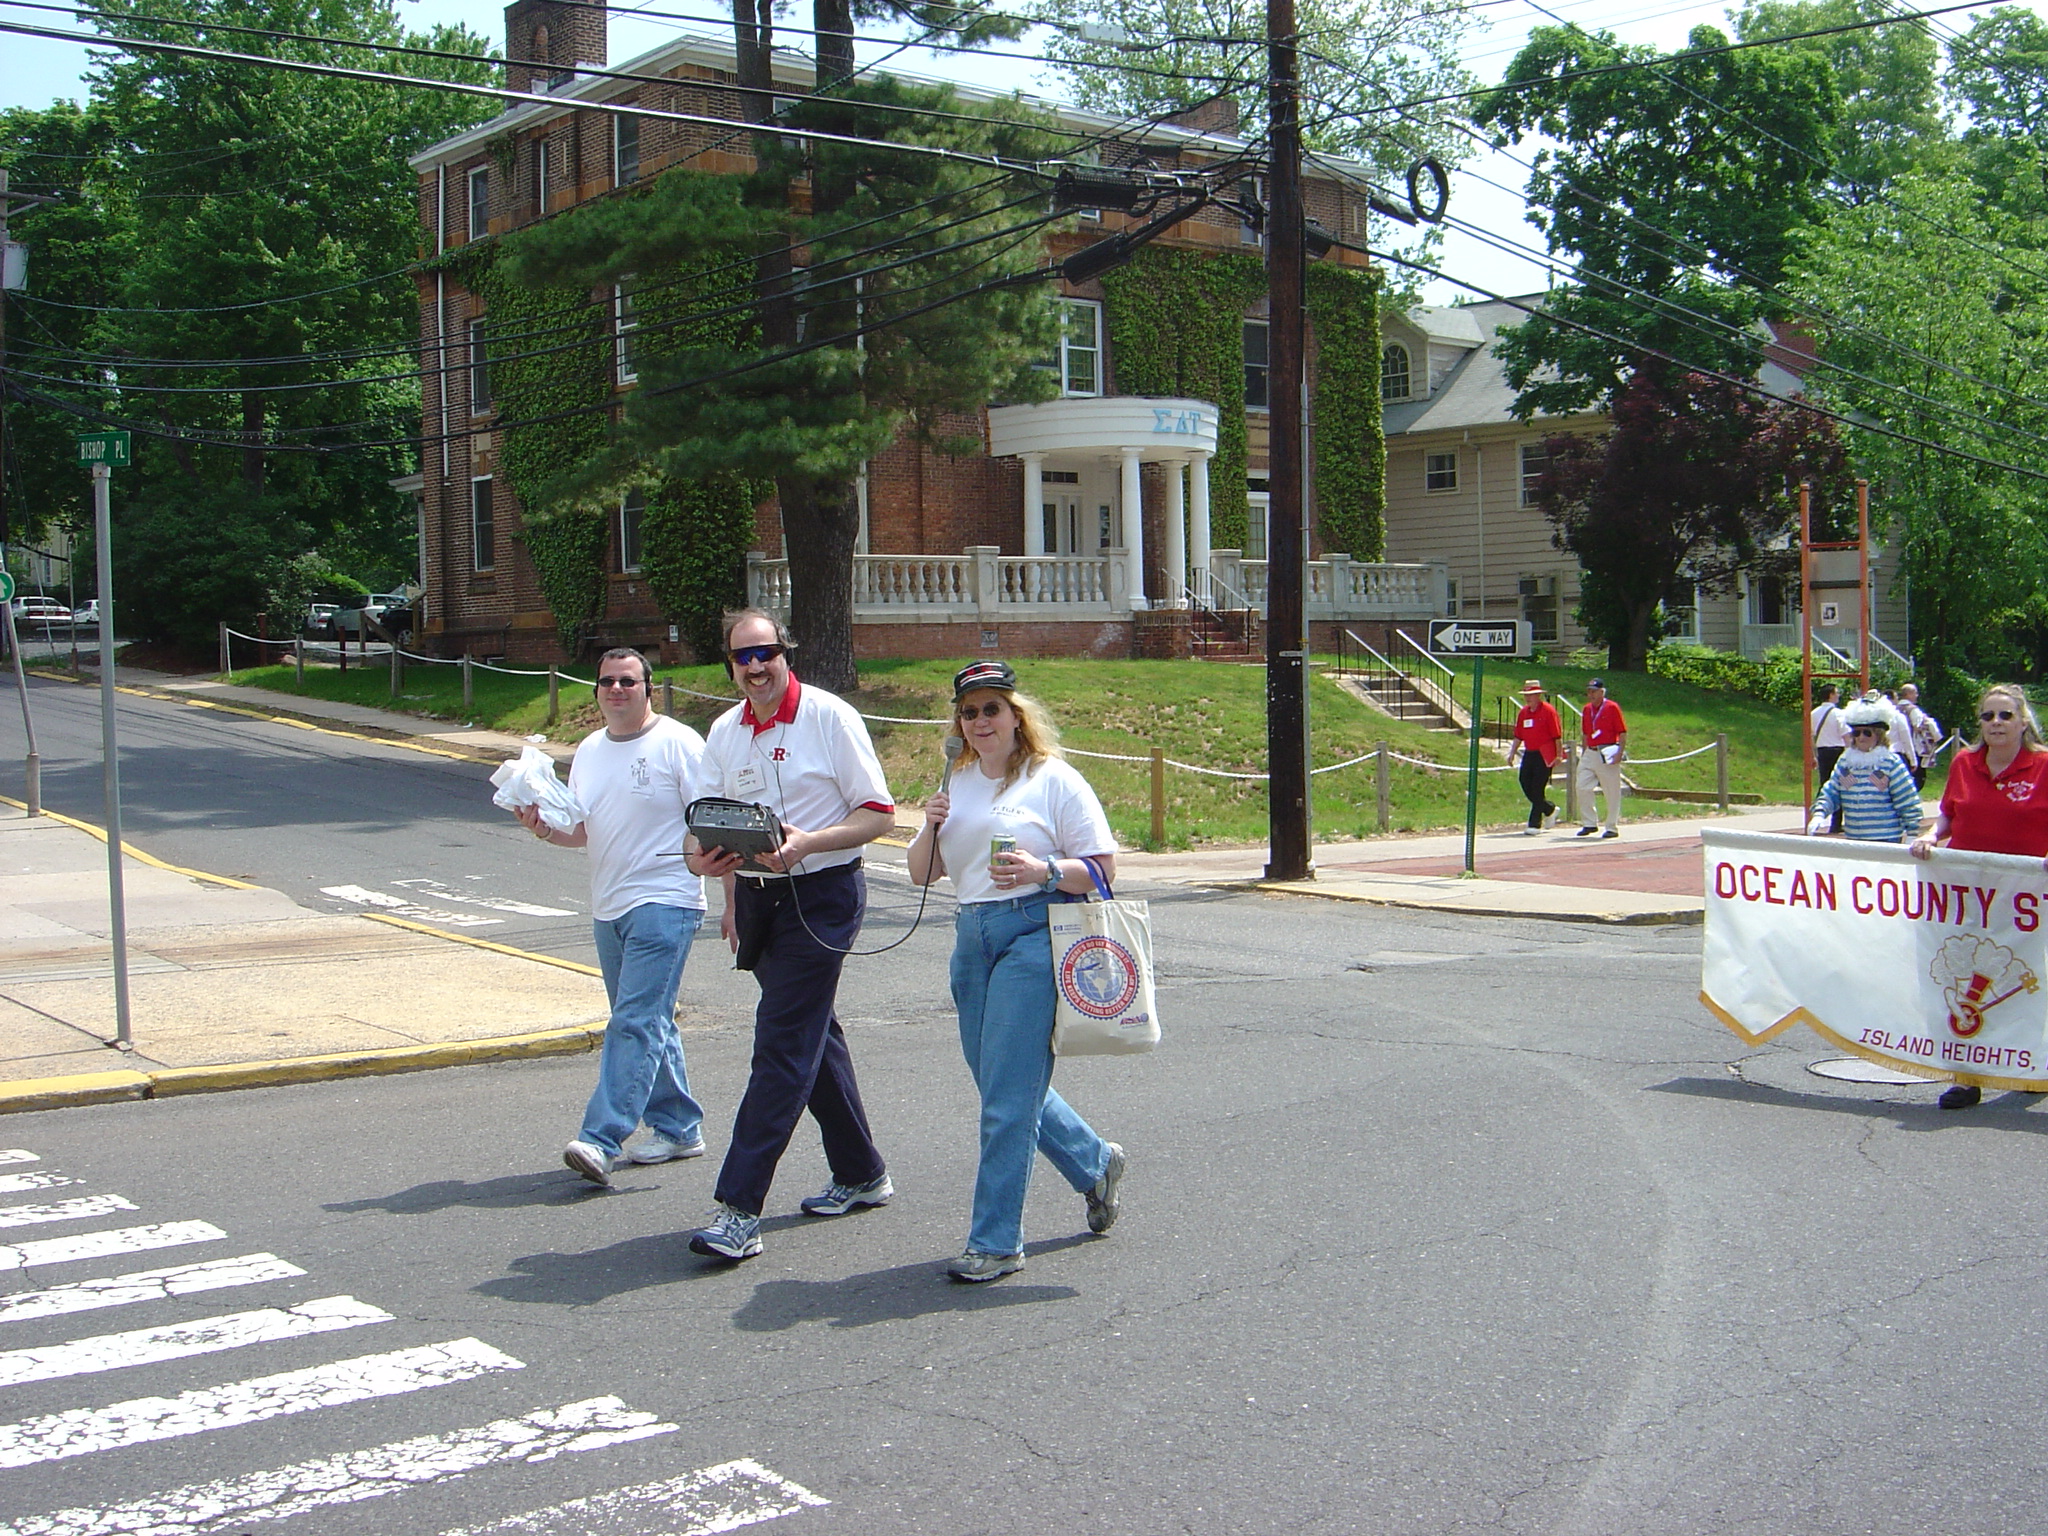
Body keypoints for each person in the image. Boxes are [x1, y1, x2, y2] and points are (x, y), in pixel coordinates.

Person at [684, 610, 896, 1261]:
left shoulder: (830, 717)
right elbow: (703, 829)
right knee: (810, 1034)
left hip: (824, 897)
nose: (754, 668)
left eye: (765, 653)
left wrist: (808, 844)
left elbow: (879, 815)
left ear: (785, 652)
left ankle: (738, 1209)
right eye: (741, 658)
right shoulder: (723, 733)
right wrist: (709, 869)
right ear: (729, 664)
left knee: (780, 1044)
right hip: (757, 900)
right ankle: (862, 1173)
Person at [907, 660, 1126, 1283]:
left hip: (1035, 930)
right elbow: (923, 874)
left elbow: (1106, 868)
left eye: (992, 709)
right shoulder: (958, 782)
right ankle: (1093, 1163)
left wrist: (1044, 871)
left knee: (1005, 1097)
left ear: (1015, 714)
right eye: (969, 712)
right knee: (1000, 1081)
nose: (980, 722)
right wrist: (931, 821)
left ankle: (996, 1239)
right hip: (972, 935)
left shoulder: (1053, 780)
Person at [512, 647, 711, 1187]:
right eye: (607, 683)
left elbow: (712, 822)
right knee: (648, 1019)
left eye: (628, 681)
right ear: (596, 690)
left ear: (649, 687)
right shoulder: (590, 750)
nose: (617, 690)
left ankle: (601, 1137)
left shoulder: (678, 743)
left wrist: (733, 901)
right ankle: (678, 1127)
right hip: (609, 905)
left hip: (667, 901)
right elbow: (581, 829)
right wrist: (543, 828)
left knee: (634, 1020)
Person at [1909, 684, 2048, 1110]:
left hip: (2029, 901)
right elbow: (1950, 814)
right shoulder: (1965, 763)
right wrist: (1932, 836)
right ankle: (1966, 1076)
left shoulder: (2043, 765)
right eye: (1988, 717)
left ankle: (2032, 1067)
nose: (1996, 724)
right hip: (1971, 896)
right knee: (1964, 987)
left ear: (2023, 721)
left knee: (2031, 984)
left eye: (2005, 716)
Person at [1808, 698, 1922, 843]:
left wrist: (1912, 832)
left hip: (1886, 839)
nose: (1861, 737)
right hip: (1854, 839)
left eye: (1867, 733)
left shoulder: (1891, 762)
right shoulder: (1845, 762)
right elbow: (1832, 791)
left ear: (1878, 734)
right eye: (1856, 733)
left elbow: (1906, 799)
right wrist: (1819, 813)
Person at [1507, 679, 1562, 835]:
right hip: (1529, 753)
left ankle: (1534, 823)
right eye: (1526, 695)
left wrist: (1558, 755)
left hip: (1544, 753)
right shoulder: (1523, 713)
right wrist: (1512, 753)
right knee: (1525, 782)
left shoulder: (1548, 711)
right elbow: (1518, 735)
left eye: (1531, 695)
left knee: (1538, 787)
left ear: (1538, 695)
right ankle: (1549, 809)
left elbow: (1557, 735)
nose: (1528, 698)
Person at [1574, 678, 1627, 839]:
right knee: (1581, 786)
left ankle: (1611, 826)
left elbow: (1622, 732)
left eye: (1594, 691)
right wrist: (1584, 752)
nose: (1591, 694)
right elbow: (1585, 733)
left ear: (1602, 692)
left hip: (1607, 750)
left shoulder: (1612, 707)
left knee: (1611, 791)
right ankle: (1589, 822)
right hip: (1591, 751)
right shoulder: (1587, 709)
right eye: (1589, 691)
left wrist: (1619, 753)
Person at [1811, 684, 1848, 833]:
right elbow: (1845, 734)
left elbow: (1811, 735)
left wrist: (1814, 754)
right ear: (1831, 695)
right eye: (1837, 693)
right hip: (1837, 750)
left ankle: (1816, 815)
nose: (1838, 696)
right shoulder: (1838, 713)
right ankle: (1836, 822)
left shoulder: (1813, 713)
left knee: (1824, 784)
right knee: (1840, 786)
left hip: (1822, 750)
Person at [1899, 683, 1941, 791]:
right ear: (1908, 694)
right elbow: (1918, 727)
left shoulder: (1894, 709)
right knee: (1918, 777)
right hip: (1914, 748)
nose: (1917, 695)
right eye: (1915, 693)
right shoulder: (1913, 710)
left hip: (1897, 748)